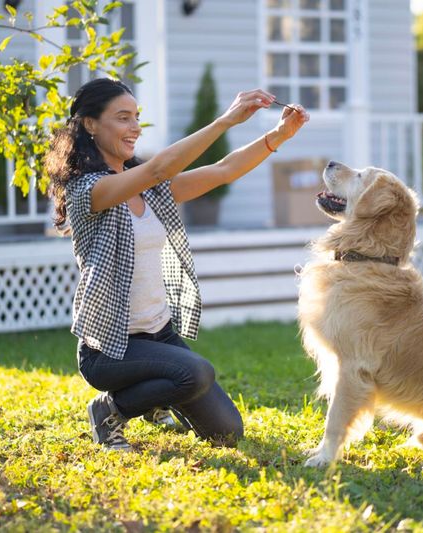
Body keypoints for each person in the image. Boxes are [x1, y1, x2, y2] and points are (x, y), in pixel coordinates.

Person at [45, 78, 309, 451]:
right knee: (197, 372)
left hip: (160, 334)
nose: (134, 127)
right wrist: (225, 121)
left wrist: (279, 135)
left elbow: (223, 170)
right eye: (123, 118)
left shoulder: (148, 191)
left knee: (226, 433)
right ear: (90, 124)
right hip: (110, 348)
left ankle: (155, 400)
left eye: (136, 117)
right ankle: (110, 410)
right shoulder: (88, 190)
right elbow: (158, 169)